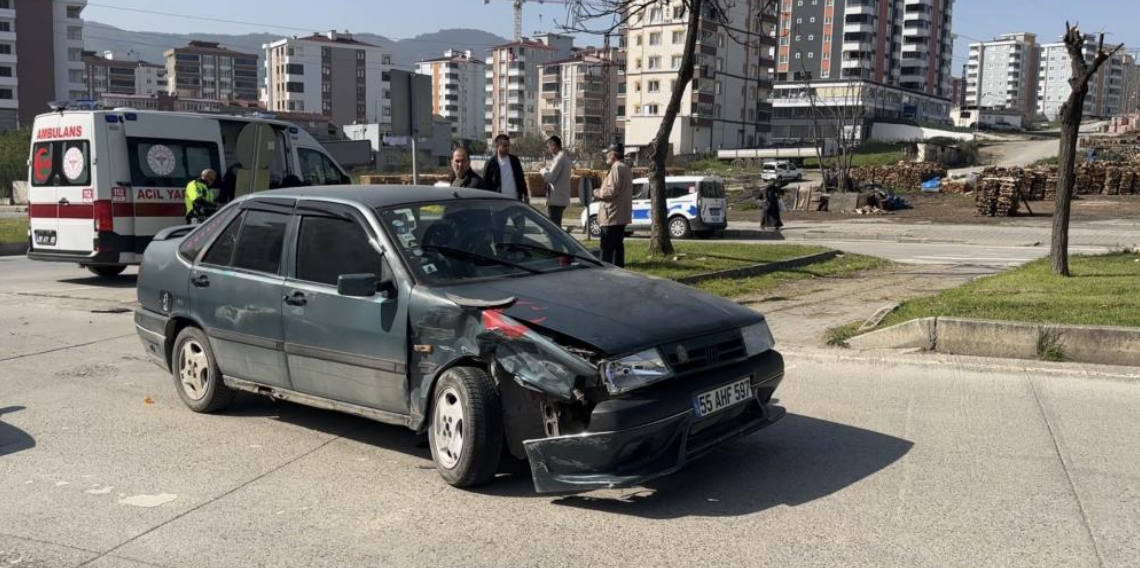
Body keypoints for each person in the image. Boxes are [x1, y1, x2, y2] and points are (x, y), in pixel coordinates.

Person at [593, 143, 633, 267]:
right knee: (617, 247)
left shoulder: (616, 167)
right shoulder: (626, 168)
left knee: (607, 249)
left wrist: (598, 192)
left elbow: (611, 191)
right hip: (620, 215)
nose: (606, 155)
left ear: (613, 154)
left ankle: (608, 275)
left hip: (611, 215)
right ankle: (619, 272)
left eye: (608, 153)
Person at [482, 134, 529, 202]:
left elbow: (521, 178)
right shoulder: (491, 163)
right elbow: (485, 183)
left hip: (515, 200)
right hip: (498, 200)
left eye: (508, 145)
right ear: (497, 146)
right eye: (504, 146)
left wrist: (525, 194)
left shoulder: (514, 160)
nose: (507, 148)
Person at [539, 135, 571, 227]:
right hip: (561, 198)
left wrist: (542, 169)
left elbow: (550, 178)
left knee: (553, 229)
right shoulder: (565, 157)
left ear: (553, 146)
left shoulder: (559, 159)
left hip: (556, 200)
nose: (548, 149)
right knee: (555, 227)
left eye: (548, 147)